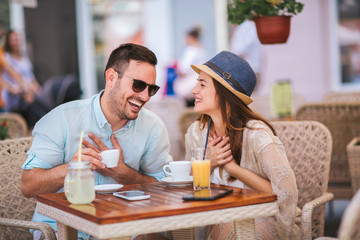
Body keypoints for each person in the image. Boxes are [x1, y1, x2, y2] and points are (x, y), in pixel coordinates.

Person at [21, 43, 172, 240]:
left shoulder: (153, 127)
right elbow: (28, 186)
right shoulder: (62, 119)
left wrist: (125, 175)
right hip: (61, 228)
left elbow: (166, 189)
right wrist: (72, 168)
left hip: (123, 228)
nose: (144, 96)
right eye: (138, 85)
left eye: (151, 89)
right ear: (111, 77)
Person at [184, 51, 300, 239]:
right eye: (197, 82)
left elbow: (283, 194)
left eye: (202, 84)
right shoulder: (197, 133)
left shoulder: (256, 135)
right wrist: (208, 162)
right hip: (214, 221)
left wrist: (233, 168)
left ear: (224, 92)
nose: (194, 90)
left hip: (261, 221)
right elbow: (185, 188)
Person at [2, 30, 41, 115]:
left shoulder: (24, 57)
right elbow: (15, 76)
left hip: (29, 91)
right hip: (17, 97)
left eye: (17, 39)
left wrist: (38, 89)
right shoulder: (7, 57)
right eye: (13, 40)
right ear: (8, 42)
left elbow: (31, 75)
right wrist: (26, 88)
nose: (16, 42)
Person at [174, 25, 207, 107]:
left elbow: (183, 70)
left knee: (190, 109)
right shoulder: (202, 51)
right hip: (200, 83)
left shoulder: (190, 51)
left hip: (189, 88)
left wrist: (178, 72)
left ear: (191, 37)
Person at [230, 20, 263, 93]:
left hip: (248, 69)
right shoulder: (245, 26)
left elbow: (241, 49)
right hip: (250, 68)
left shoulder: (247, 26)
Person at [0, 25, 26, 111]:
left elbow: (11, 71)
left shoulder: (2, 52)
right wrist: (11, 88)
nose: (2, 31)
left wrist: (24, 85)